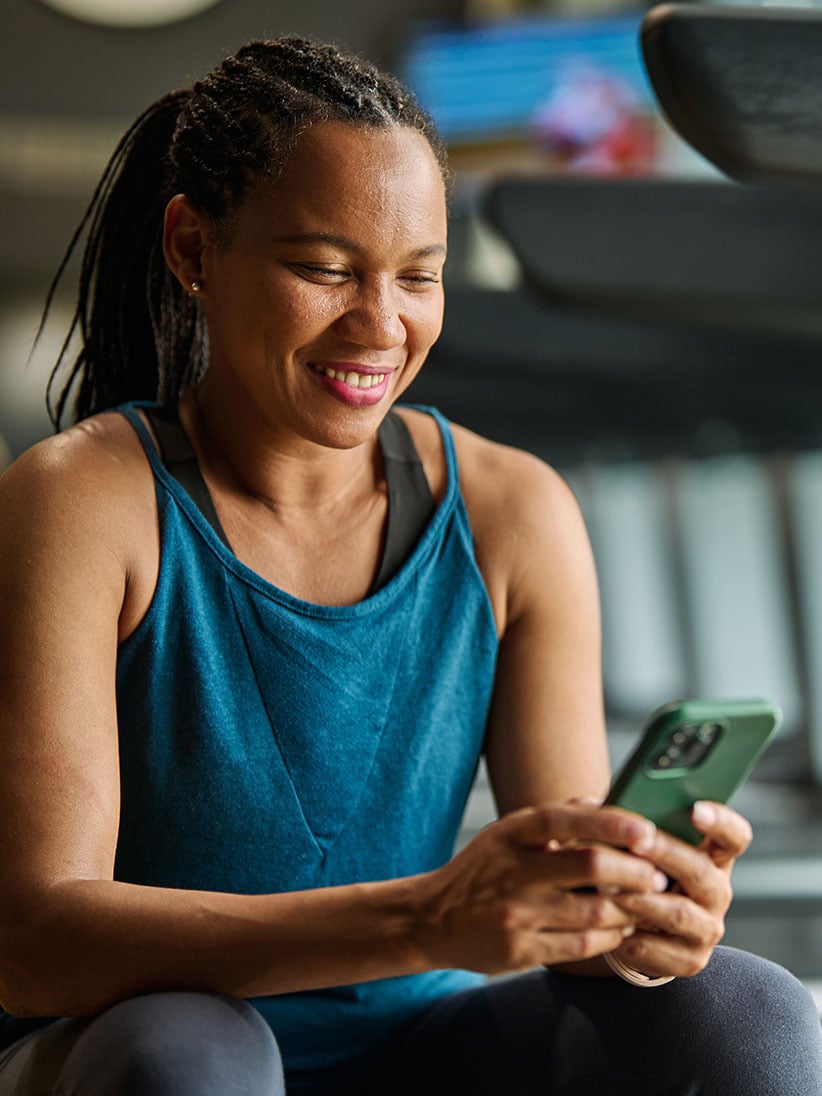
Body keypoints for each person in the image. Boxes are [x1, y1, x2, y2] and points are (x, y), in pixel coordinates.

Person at [0, 35, 818, 1096]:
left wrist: (635, 915)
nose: (380, 324)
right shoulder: (81, 501)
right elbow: (30, 936)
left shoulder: (512, 511)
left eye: (418, 277)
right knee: (188, 1056)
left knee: (748, 1013)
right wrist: (426, 919)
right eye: (324, 269)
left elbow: (565, 910)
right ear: (194, 247)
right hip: (134, 1045)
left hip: (418, 1046)